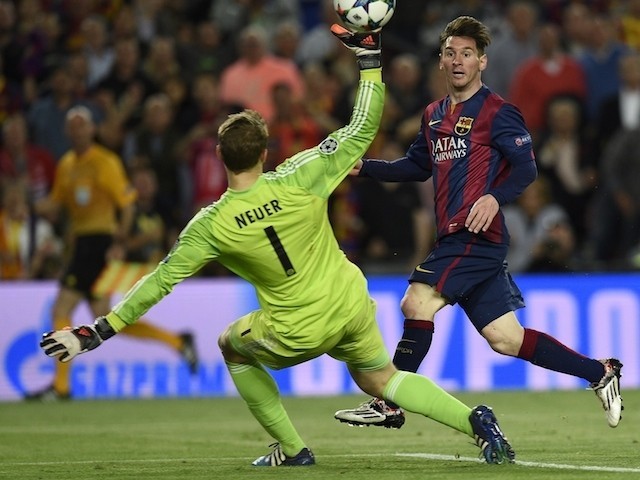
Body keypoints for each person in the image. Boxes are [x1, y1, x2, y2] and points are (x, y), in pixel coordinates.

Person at [38, 25, 516, 466]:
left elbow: (159, 282)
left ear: (220, 156)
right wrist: (369, 61)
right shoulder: (302, 173)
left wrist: (97, 331)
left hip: (298, 328)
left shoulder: (210, 225)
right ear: (265, 152)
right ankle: (475, 421)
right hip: (350, 303)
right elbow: (362, 126)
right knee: (383, 379)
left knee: (231, 346)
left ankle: (292, 450)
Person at [334, 15, 623, 431]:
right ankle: (600, 371)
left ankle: (388, 402)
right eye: (450, 53)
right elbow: (416, 166)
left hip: (475, 236)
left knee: (417, 302)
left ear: (482, 62)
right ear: (440, 61)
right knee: (506, 339)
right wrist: (366, 168)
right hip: (459, 239)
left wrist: (493, 196)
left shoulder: (498, 112)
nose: (458, 61)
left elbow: (526, 169)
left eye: (467, 54)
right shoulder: (433, 114)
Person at [25, 106, 198, 401]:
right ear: (67, 131)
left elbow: (127, 204)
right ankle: (177, 341)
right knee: (106, 319)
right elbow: (56, 203)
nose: (77, 131)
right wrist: (28, 205)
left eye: (82, 125)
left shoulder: (105, 162)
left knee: (62, 309)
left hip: (99, 242)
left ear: (92, 129)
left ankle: (61, 386)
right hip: (81, 244)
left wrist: (120, 240)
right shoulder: (66, 164)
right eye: (72, 126)